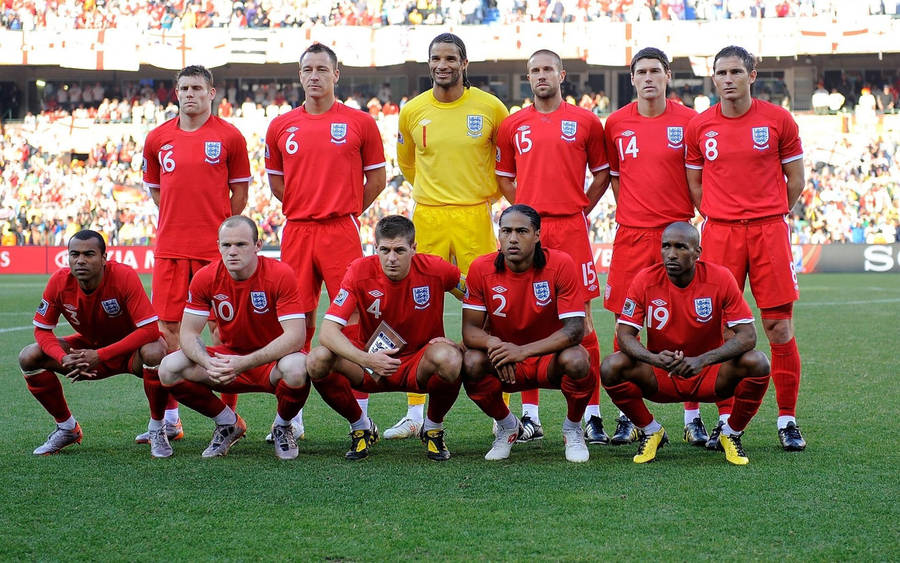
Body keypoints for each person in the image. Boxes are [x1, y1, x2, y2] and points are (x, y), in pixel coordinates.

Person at [685, 45, 807, 451]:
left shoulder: (778, 120)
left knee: (778, 327)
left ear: (752, 75)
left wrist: (770, 214)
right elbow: (696, 186)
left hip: (769, 231)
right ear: (713, 77)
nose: (728, 79)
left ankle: (787, 420)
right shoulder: (700, 126)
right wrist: (722, 216)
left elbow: (796, 180)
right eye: (721, 72)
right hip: (720, 234)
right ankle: (725, 421)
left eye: (736, 71)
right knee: (719, 329)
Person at [265, 43, 387, 439]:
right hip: (298, 230)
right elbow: (277, 183)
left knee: (352, 316)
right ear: (299, 75)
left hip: (341, 230)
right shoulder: (281, 125)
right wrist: (307, 206)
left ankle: (361, 413)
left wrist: (345, 208)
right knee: (294, 320)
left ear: (337, 74)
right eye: (307, 69)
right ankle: (291, 418)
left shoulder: (360, 122)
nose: (313, 75)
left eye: (321, 68)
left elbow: (377, 180)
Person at [392, 32, 509, 439]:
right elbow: (407, 164)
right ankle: (413, 410)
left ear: (464, 63)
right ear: (429, 65)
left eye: (449, 58)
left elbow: (504, 160)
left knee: (492, 306)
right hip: (428, 218)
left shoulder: (491, 107)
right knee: (416, 308)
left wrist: (481, 197)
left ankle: (504, 417)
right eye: (435, 58)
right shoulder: (412, 111)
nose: (442, 65)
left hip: (475, 215)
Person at [494, 49, 611, 445]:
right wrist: (526, 214)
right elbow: (505, 179)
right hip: (530, 230)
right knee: (527, 318)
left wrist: (580, 207)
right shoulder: (513, 125)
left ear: (561, 74)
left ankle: (592, 414)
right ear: (528, 78)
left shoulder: (586, 121)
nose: (542, 75)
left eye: (548, 69)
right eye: (534, 71)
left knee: (585, 322)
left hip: (571, 229)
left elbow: (602, 175)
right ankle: (530, 416)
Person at [603, 47, 708, 448]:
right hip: (631, 235)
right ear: (632, 78)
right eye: (641, 71)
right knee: (624, 327)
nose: (648, 78)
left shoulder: (690, 121)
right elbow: (616, 178)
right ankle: (629, 417)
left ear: (668, 76)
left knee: (690, 327)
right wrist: (634, 214)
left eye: (655, 71)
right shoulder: (615, 123)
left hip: (677, 235)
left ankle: (693, 415)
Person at [600, 222, 771, 465]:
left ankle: (730, 432)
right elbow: (624, 335)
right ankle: (651, 430)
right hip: (662, 373)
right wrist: (654, 358)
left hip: (709, 374)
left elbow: (748, 335)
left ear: (697, 252)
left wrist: (703, 360)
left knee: (758, 363)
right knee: (611, 366)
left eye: (680, 247)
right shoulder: (645, 279)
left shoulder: (720, 278)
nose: (671, 253)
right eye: (666, 246)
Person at [142, 64, 251, 444]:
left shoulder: (230, 137)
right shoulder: (157, 139)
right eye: (184, 88)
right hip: (171, 249)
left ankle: (228, 418)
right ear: (176, 93)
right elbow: (157, 191)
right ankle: (170, 419)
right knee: (167, 333)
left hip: (214, 253)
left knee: (224, 331)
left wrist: (221, 233)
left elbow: (239, 196)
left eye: (197, 88)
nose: (190, 94)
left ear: (212, 93)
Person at [306, 215, 464, 461]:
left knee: (451, 359)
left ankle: (432, 428)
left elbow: (478, 298)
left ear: (414, 248)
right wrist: (366, 359)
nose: (391, 258)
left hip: (418, 362)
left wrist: (461, 345)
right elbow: (327, 332)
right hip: (370, 361)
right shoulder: (359, 271)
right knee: (317, 360)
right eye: (385, 250)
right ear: (375, 247)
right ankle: (361, 427)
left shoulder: (436, 269)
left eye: (400, 250)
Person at [158, 216, 310, 459]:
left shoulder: (280, 274)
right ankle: (228, 423)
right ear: (218, 245)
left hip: (269, 362)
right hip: (227, 359)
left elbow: (296, 337)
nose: (232, 252)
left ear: (258, 246)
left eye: (241, 244)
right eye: (226, 245)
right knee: (169, 367)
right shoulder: (206, 277)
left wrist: (245, 363)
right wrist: (209, 362)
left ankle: (282, 426)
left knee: (298, 367)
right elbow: (188, 334)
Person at [462, 205, 594, 463]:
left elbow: (576, 329)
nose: (512, 238)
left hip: (549, 359)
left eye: (521, 231)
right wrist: (495, 344)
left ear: (537, 235)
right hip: (506, 362)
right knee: (471, 362)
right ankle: (507, 426)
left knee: (578, 360)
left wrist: (521, 351)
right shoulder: (480, 268)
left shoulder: (560, 263)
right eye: (506, 231)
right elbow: (469, 331)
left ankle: (573, 428)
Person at [19, 230, 168, 456]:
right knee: (29, 356)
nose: (80, 260)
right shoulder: (59, 282)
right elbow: (42, 330)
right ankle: (67, 427)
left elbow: (149, 330)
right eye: (74, 254)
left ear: (104, 258)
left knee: (156, 350)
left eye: (89, 254)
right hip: (89, 349)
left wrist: (100, 355)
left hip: (129, 351)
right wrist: (63, 358)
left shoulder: (123, 276)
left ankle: (158, 428)